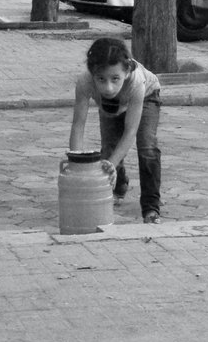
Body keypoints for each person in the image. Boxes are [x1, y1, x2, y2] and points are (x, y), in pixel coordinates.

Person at [68, 38, 163, 224]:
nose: (108, 87)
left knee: (147, 147)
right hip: (111, 105)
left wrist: (111, 163)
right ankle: (118, 186)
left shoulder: (137, 82)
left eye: (115, 79)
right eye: (101, 79)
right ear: (92, 73)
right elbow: (78, 124)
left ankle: (151, 208)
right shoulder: (84, 82)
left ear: (126, 72)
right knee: (109, 150)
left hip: (147, 97)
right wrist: (76, 161)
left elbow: (130, 131)